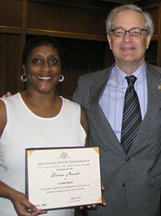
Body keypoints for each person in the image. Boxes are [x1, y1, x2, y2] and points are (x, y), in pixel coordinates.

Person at [73, 4, 161, 216]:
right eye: (119, 32)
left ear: (148, 39)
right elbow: (67, 133)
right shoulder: (87, 85)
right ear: (110, 40)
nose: (127, 39)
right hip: (100, 206)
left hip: (151, 203)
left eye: (136, 32)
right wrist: (15, 105)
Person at [0, 35, 89, 216]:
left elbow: (81, 170)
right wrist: (13, 194)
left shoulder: (77, 114)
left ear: (60, 68)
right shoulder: (3, 111)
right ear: (25, 68)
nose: (46, 68)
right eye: (37, 61)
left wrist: (89, 188)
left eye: (53, 61)